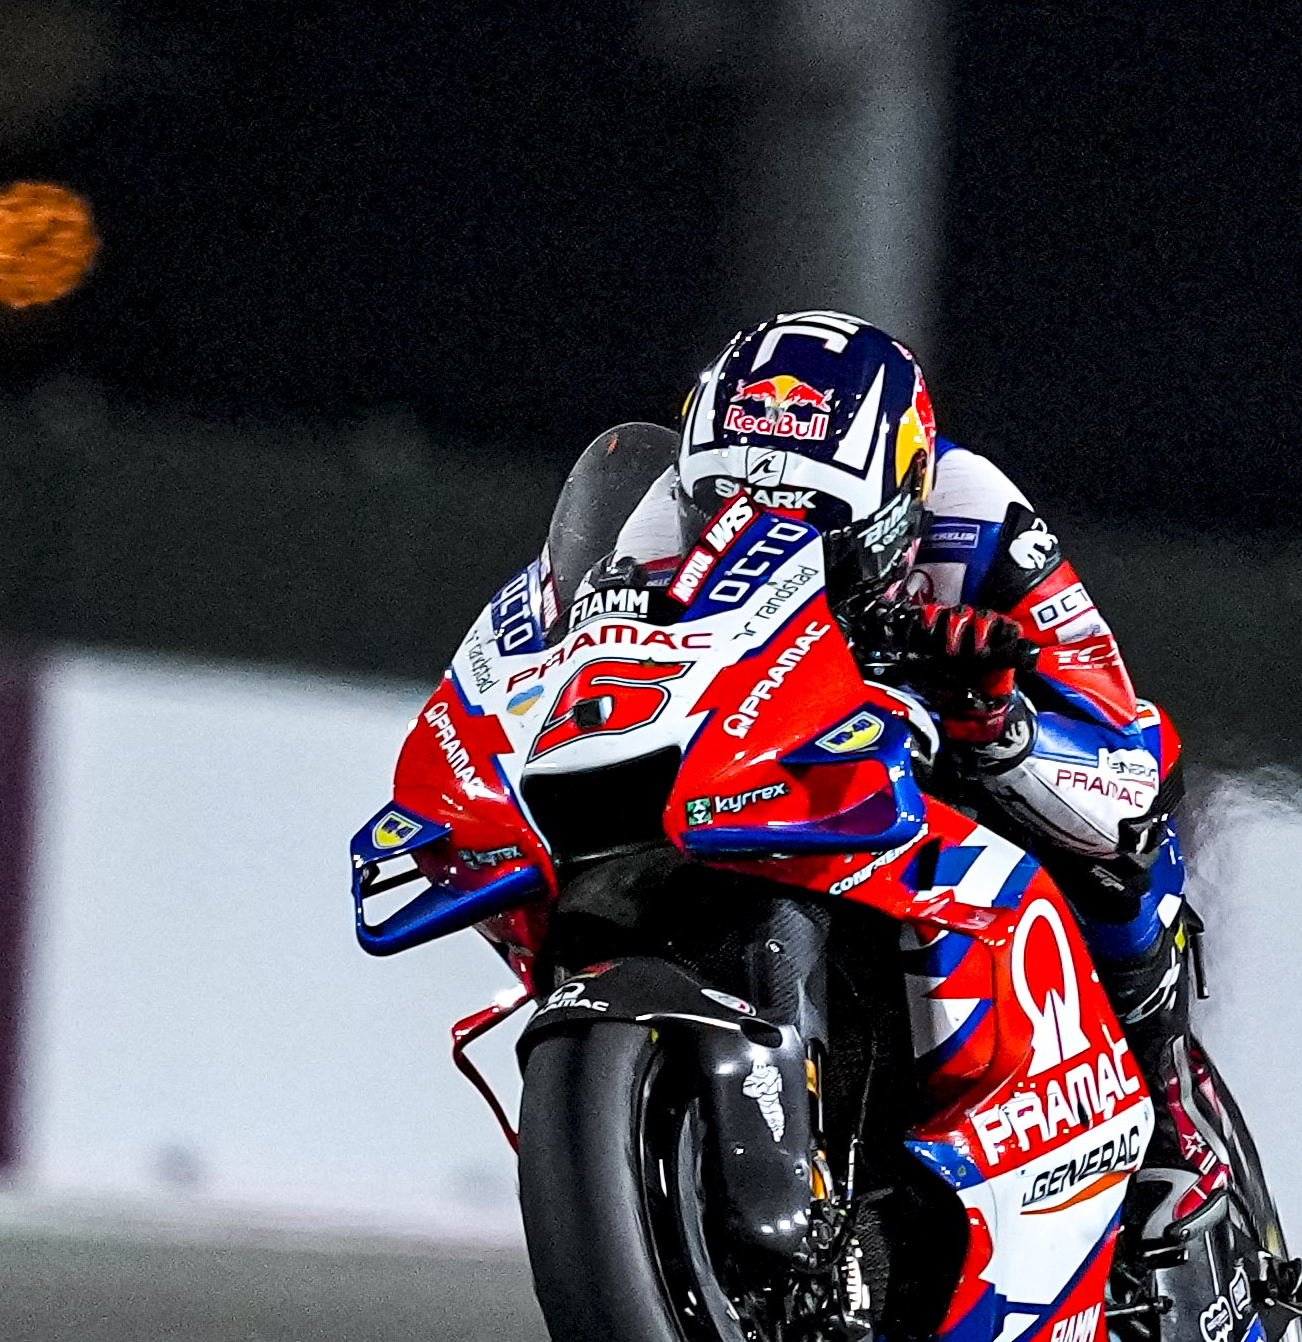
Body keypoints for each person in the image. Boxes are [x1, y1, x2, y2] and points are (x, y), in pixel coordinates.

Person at [507, 309, 1231, 1221]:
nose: (764, 531)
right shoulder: (656, 516)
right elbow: (583, 652)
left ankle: (1174, 1123)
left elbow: (1125, 747)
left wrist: (995, 719)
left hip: (939, 757)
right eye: (726, 502)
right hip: (759, 754)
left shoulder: (979, 516)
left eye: (820, 519)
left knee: (1125, 846)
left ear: (903, 493)